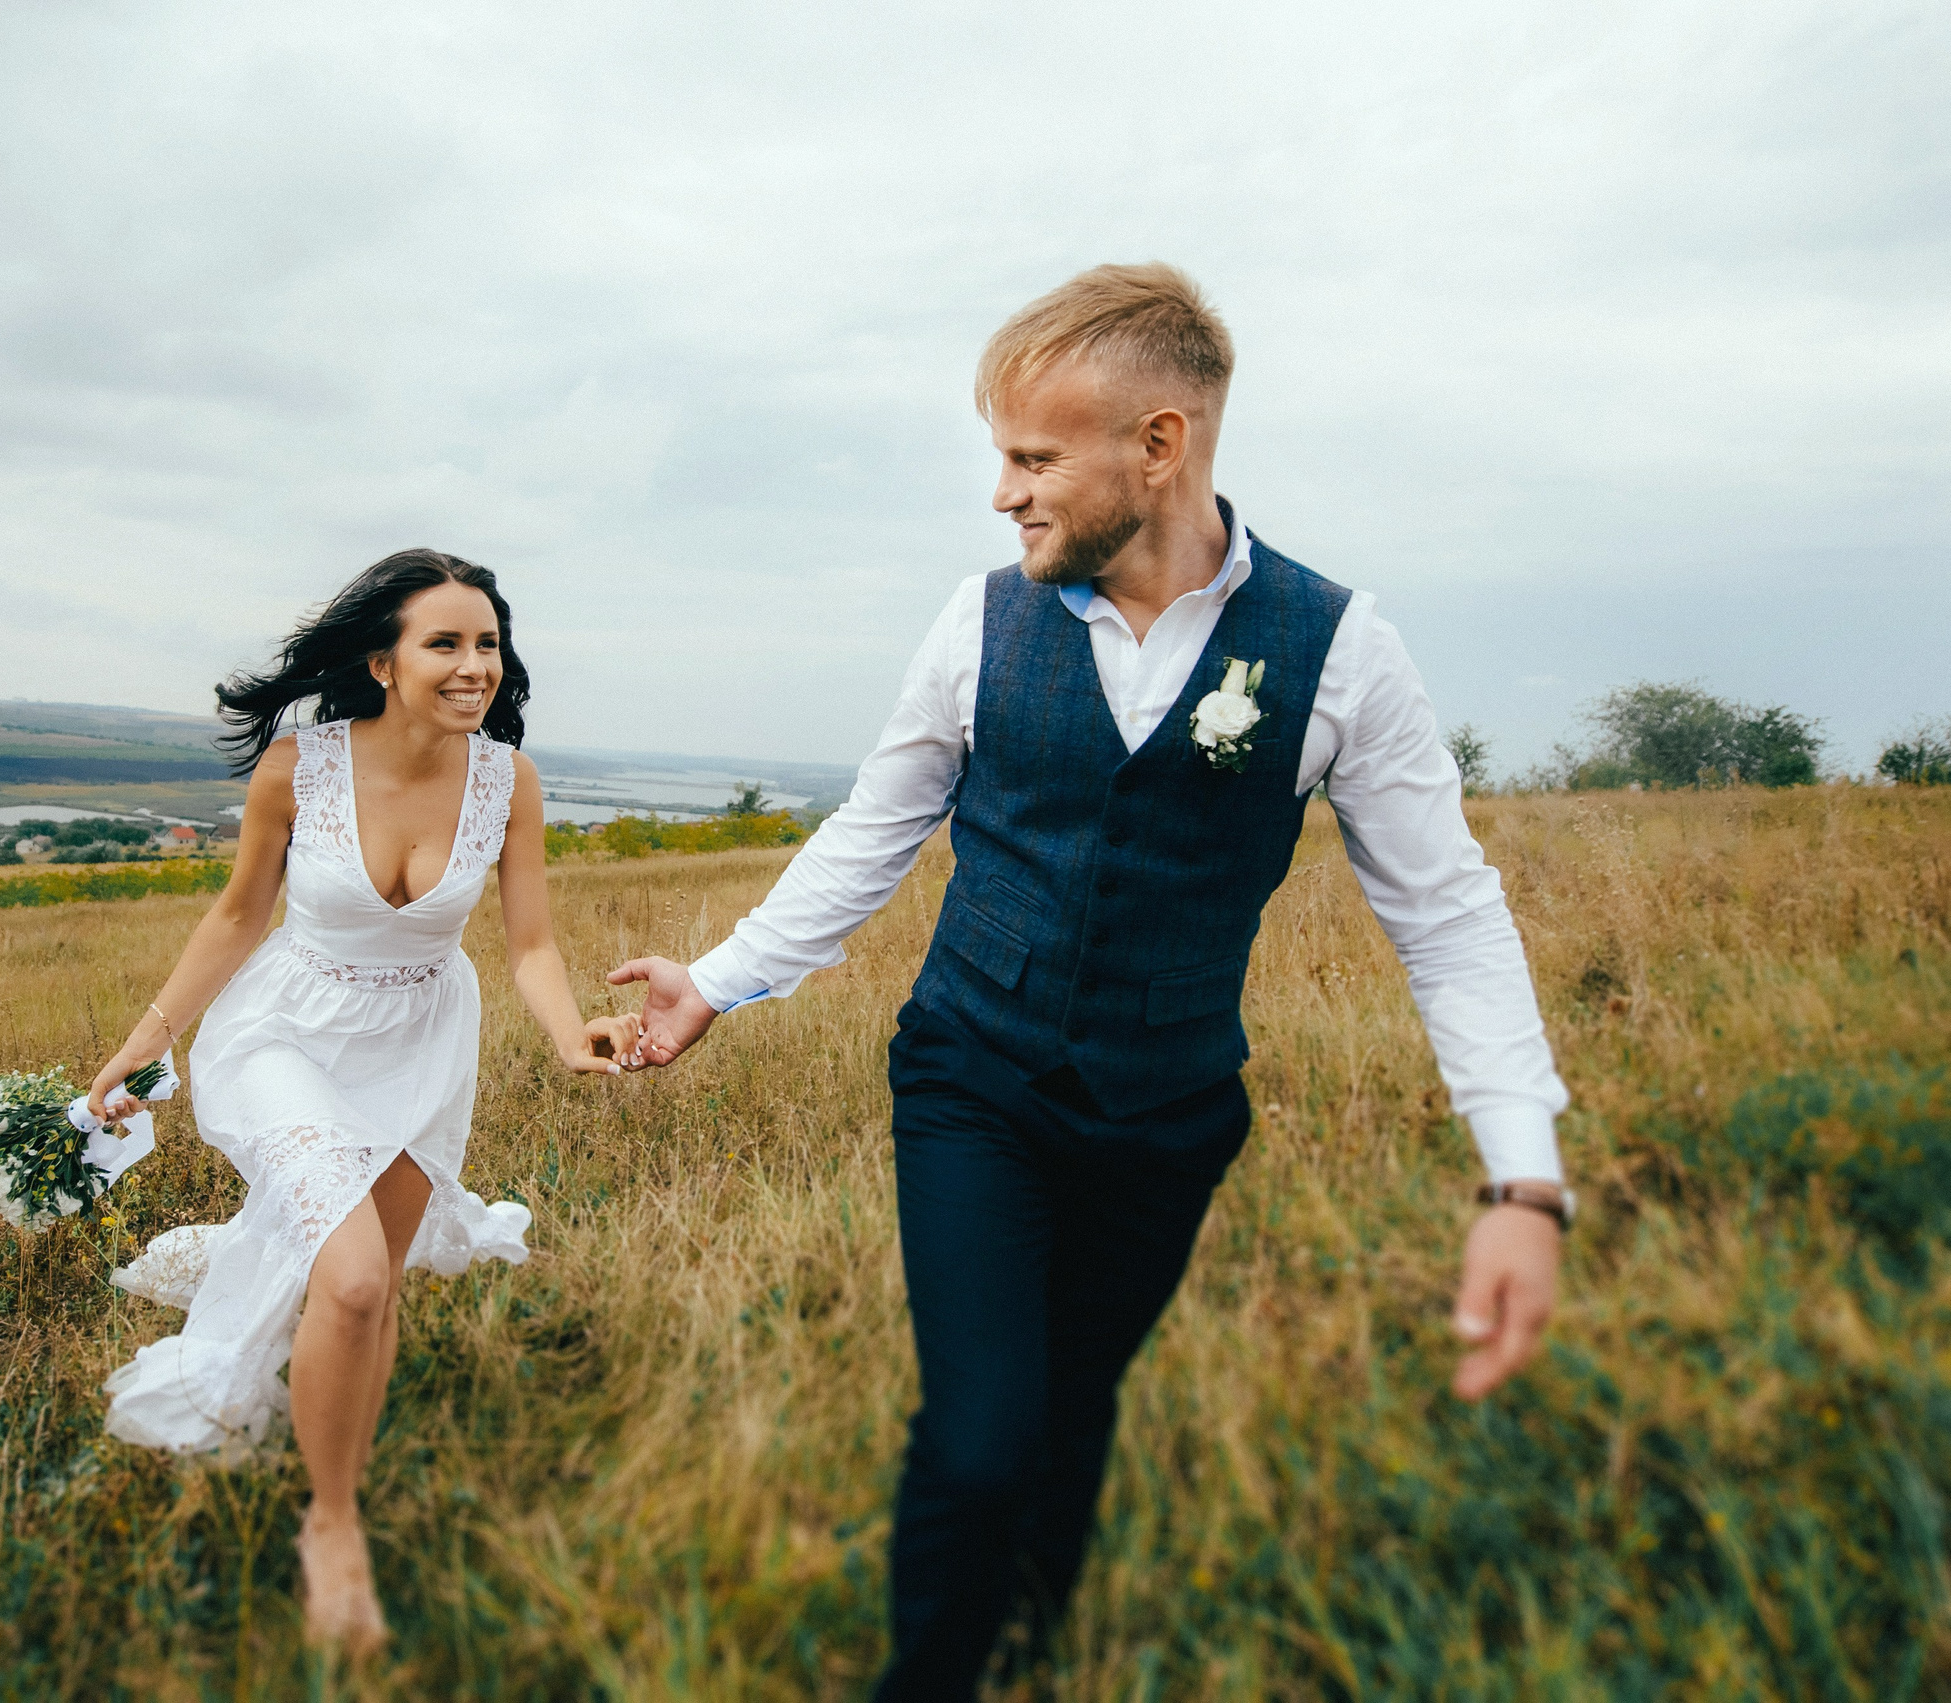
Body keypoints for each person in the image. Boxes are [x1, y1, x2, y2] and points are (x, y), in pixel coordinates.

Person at [609, 264, 1571, 1697]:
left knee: (1073, 1404)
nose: (1005, 492)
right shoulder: (978, 621)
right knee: (981, 1430)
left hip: (1168, 1110)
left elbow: (1446, 914)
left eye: (1034, 456)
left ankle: (1030, 1637)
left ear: (1161, 446)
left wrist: (1524, 1179)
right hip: (972, 1078)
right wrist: (722, 980)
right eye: (1003, 455)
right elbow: (875, 829)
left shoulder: (1341, 652)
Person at [82, 548, 638, 1653]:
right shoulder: (301, 768)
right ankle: (330, 1526)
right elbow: (238, 917)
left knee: (373, 1288)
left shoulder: (508, 781)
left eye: (487, 642)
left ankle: (341, 1473)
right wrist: (146, 1043)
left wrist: (572, 1031)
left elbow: (529, 941)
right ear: (382, 660)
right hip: (288, 1030)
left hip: (422, 1043)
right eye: (446, 642)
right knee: (344, 1277)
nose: (474, 664)